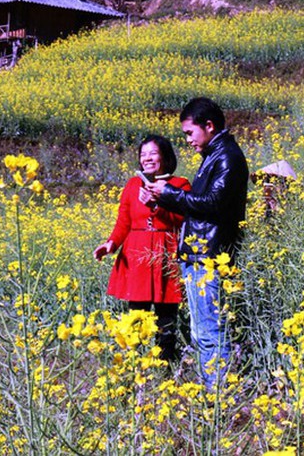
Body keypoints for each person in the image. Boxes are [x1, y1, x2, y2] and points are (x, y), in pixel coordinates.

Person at [144, 97, 249, 390]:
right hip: (200, 254)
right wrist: (162, 197)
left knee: (210, 330)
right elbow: (199, 208)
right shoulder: (214, 156)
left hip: (210, 256)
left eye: (190, 133)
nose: (188, 140)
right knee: (201, 330)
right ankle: (212, 392)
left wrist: (169, 193)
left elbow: (213, 204)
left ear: (209, 126)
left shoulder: (227, 156)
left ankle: (220, 398)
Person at [94, 135, 191, 366]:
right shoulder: (132, 185)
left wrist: (156, 207)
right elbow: (123, 222)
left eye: (153, 153)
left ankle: (165, 365)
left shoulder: (180, 185)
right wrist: (111, 244)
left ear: (165, 157)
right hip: (136, 253)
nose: (147, 158)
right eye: (143, 154)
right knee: (136, 313)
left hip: (165, 252)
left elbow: (182, 219)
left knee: (166, 314)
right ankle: (134, 365)